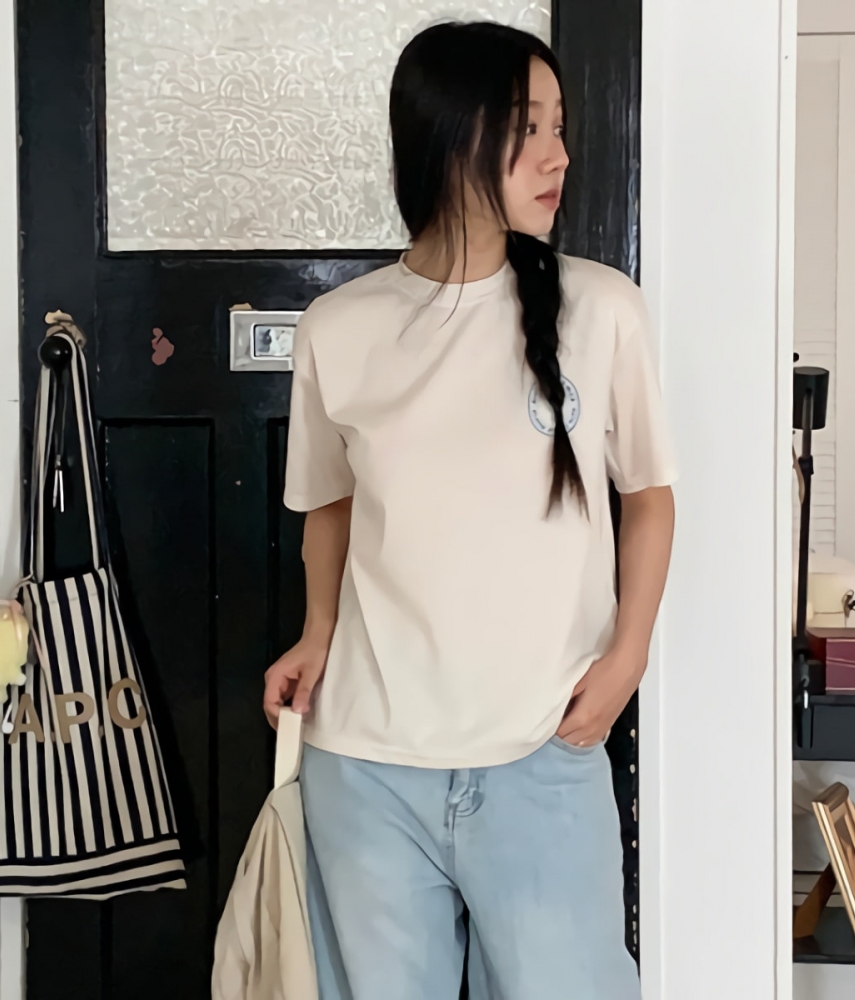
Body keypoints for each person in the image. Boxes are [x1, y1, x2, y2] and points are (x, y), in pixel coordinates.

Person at [264, 20, 676, 1000]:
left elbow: (649, 496)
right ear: (452, 137)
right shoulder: (339, 326)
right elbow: (329, 505)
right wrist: (318, 631)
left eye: (560, 127)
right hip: (364, 763)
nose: (558, 155)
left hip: (543, 749)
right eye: (528, 128)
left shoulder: (602, 309)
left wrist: (628, 657)